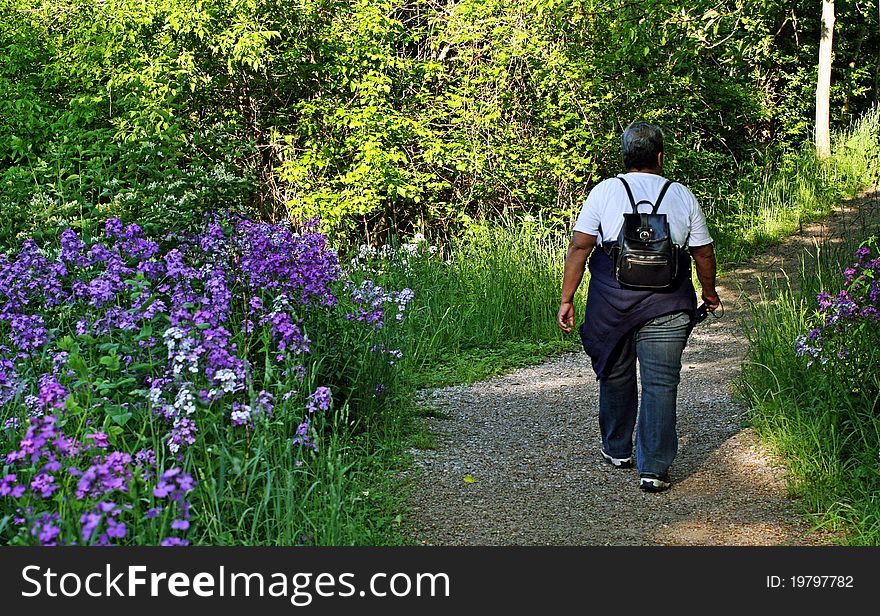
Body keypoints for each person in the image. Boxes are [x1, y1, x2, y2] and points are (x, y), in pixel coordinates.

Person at [557, 121, 720, 493]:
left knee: (615, 375)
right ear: (660, 158)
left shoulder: (604, 192)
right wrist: (708, 293)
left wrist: (567, 298)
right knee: (661, 384)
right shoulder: (682, 195)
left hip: (610, 306)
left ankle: (617, 450)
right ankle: (654, 469)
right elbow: (703, 252)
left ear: (625, 157)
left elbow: (580, 247)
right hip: (668, 304)